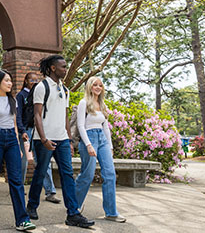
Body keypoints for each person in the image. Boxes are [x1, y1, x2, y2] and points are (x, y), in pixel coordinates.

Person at [26, 55, 94, 228]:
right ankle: (31, 206)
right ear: (53, 68)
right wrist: (43, 139)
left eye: (66, 66)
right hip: (45, 139)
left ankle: (73, 213)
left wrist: (69, 140)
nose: (66, 69)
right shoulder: (42, 87)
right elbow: (37, 115)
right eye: (62, 66)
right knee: (40, 173)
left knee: (67, 175)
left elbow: (64, 116)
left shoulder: (65, 89)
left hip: (62, 139)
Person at [0, 70, 36, 231]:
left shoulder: (13, 101)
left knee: (16, 180)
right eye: (7, 81)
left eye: (10, 81)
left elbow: (15, 125)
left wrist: (18, 146)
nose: (10, 83)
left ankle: (22, 220)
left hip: (11, 139)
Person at [75, 77, 126, 223]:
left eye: (100, 85)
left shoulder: (102, 104)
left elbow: (105, 127)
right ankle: (74, 207)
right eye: (95, 85)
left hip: (102, 139)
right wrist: (88, 145)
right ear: (90, 87)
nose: (98, 87)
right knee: (87, 175)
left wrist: (109, 146)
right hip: (89, 138)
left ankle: (111, 212)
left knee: (110, 174)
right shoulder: (83, 103)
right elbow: (80, 126)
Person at [15, 72, 61, 204]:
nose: (34, 82)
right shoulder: (21, 96)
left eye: (36, 80)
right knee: (23, 160)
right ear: (25, 81)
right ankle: (20, 186)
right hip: (26, 131)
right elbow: (17, 115)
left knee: (44, 161)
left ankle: (50, 192)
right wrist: (22, 130)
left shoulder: (40, 94)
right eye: (31, 80)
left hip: (40, 132)